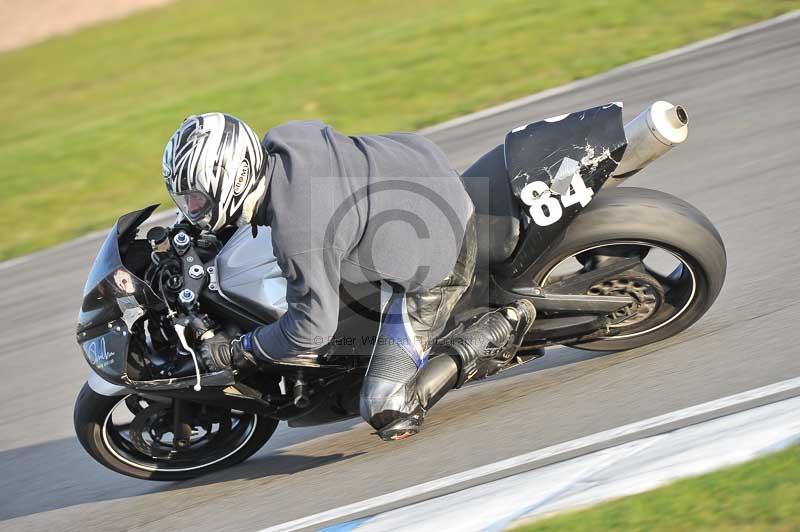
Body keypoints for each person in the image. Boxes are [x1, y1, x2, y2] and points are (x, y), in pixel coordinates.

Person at [161, 112, 533, 440]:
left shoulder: (298, 235)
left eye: (196, 199)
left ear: (234, 179)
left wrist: (243, 349)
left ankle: (502, 325)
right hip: (420, 169)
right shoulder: (285, 141)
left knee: (387, 408)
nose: (192, 209)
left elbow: (310, 330)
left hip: (442, 253)